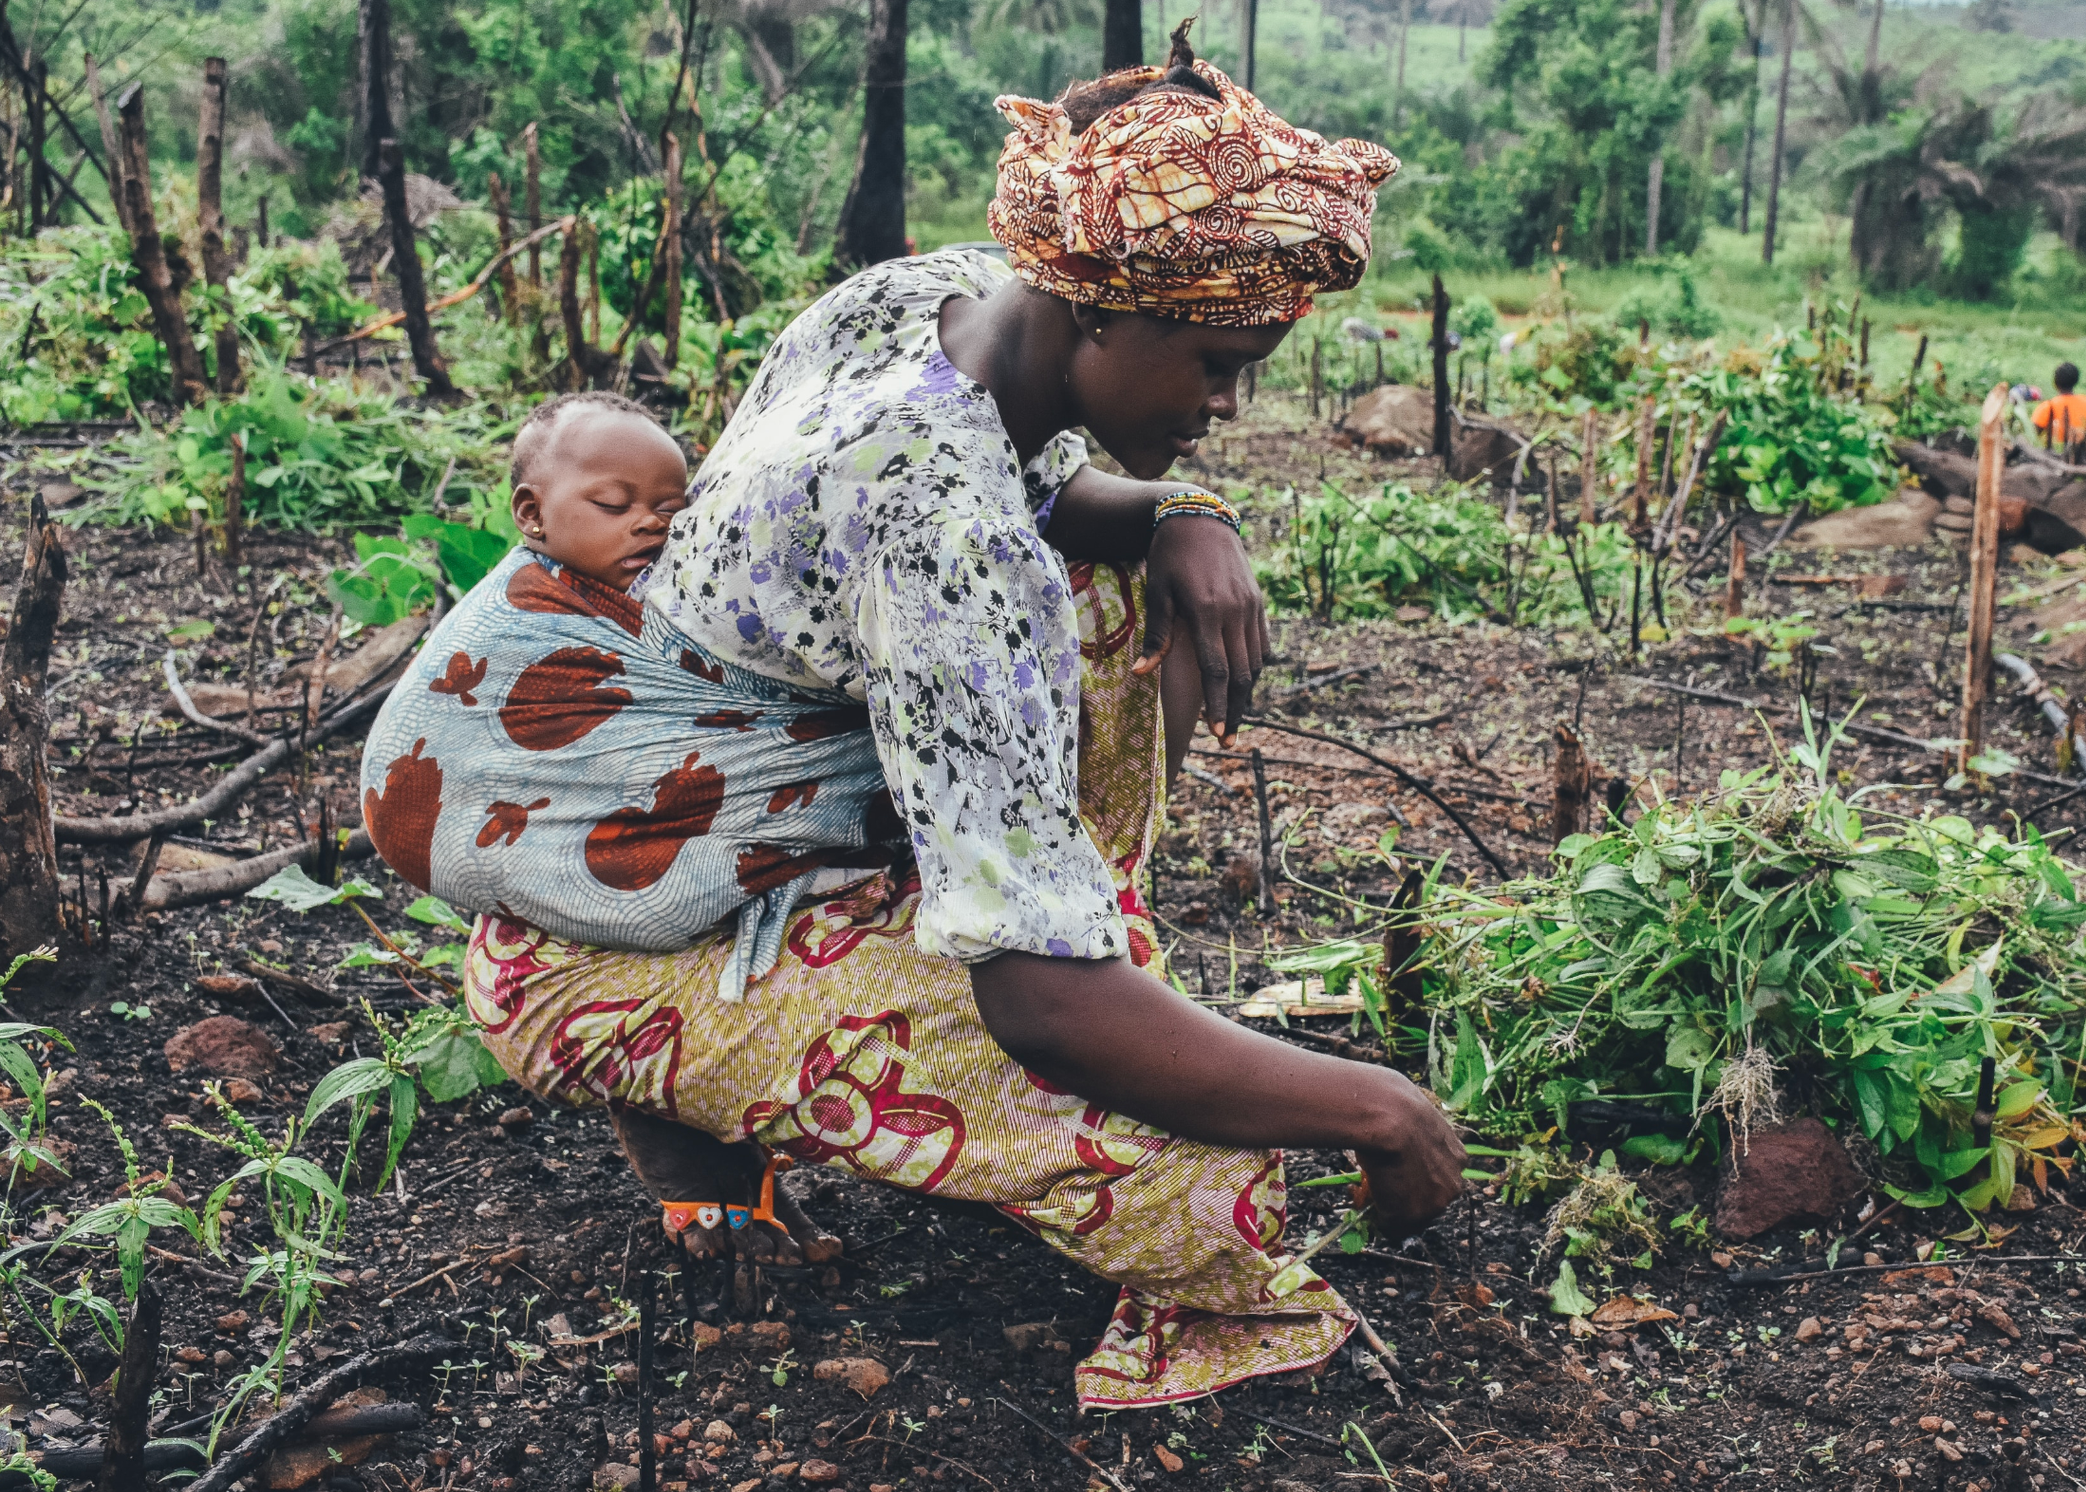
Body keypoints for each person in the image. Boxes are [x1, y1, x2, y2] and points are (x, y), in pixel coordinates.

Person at [361, 26, 1465, 1409]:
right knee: (1213, 1191)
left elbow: (1049, 493)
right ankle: (688, 1062)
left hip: (685, 822)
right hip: (595, 944)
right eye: (1217, 362)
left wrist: (1186, 508)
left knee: (1122, 595)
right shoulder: (937, 527)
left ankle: (983, 939)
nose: (1231, 405)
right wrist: (1377, 1109)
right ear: (1100, 311)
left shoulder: (934, 300)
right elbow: (1043, 1006)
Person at [2032, 362, 2086, 462]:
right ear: (2076, 380)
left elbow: (2034, 434)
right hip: (2084, 457)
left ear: (2055, 382)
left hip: (2054, 456)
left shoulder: (2047, 407)